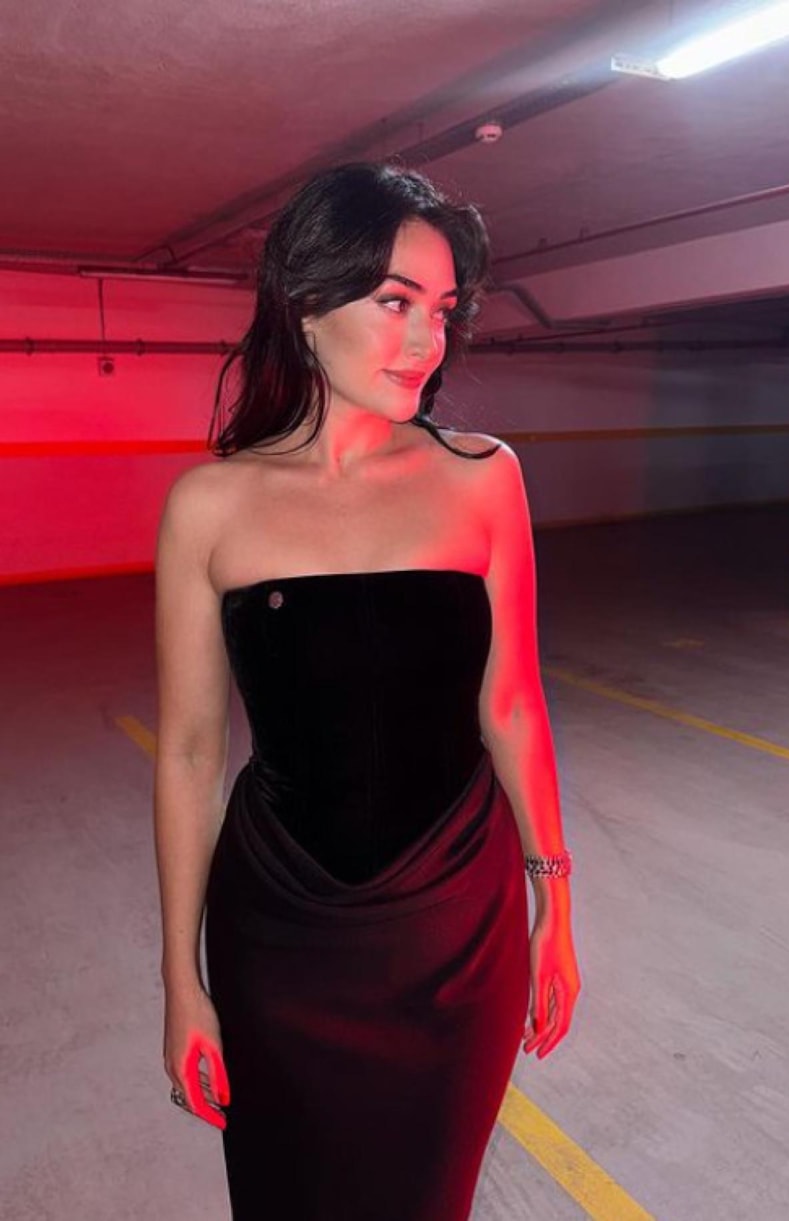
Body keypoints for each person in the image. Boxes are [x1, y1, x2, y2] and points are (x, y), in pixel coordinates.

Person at [153, 160, 581, 1221]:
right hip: (278, 938)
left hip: (455, 932)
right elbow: (192, 754)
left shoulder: (482, 476)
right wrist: (181, 980)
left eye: (442, 308)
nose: (427, 339)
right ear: (306, 305)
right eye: (395, 302)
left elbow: (511, 705)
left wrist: (554, 903)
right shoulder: (210, 505)